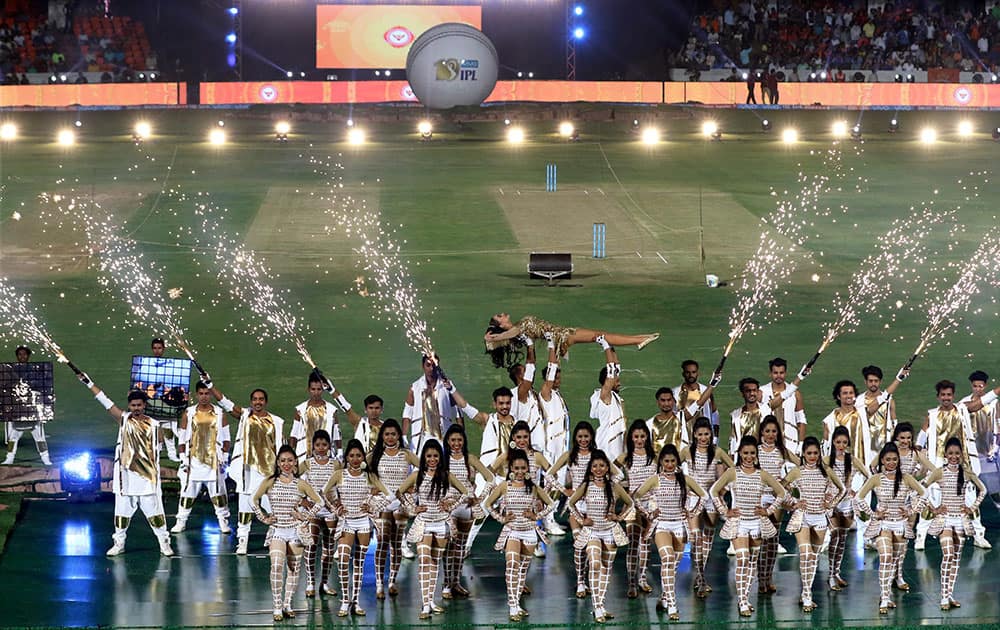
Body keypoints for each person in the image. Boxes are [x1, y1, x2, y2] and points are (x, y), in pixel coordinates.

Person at [78, 370, 173, 557]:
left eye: (139, 405)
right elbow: (106, 402)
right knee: (121, 515)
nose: (136, 408)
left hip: (147, 478)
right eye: (133, 405)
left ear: (144, 405)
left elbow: (160, 445)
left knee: (155, 514)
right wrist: (88, 383)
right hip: (126, 477)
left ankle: (164, 543)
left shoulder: (155, 425)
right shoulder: (124, 419)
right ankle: (119, 543)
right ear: (129, 406)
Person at [916, 379, 997, 550]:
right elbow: (922, 435)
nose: (946, 398)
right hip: (938, 464)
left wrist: (997, 391)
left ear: (953, 396)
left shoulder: (962, 409)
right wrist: (916, 450)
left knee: (970, 499)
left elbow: (981, 402)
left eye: (949, 395)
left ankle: (978, 536)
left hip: (962, 463)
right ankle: (920, 536)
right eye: (943, 395)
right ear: (938, 397)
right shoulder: (932, 415)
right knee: (933, 499)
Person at [711, 435, 786, 617]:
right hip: (739, 523)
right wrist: (725, 511)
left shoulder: (762, 474)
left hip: (757, 523)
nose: (749, 456)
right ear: (740, 453)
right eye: (745, 453)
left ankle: (745, 596)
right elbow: (713, 491)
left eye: (752, 453)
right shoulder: (733, 472)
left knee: (752, 563)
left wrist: (768, 511)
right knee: (743, 559)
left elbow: (781, 492)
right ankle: (742, 601)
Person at [397, 440, 471, 619]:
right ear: (424, 457)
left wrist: (451, 505)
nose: (432, 459)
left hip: (441, 524)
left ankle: (430, 601)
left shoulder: (446, 475)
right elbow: (399, 492)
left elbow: (465, 492)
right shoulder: (417, 475)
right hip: (423, 523)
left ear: (440, 457)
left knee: (435, 563)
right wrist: (413, 508)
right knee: (424, 562)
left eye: (435, 456)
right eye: (429, 456)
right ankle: (425, 606)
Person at [251, 444, 326, 621]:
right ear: (278, 462)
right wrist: (263, 518)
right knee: (276, 565)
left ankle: (288, 604)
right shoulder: (270, 481)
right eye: (283, 460)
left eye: (290, 460)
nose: (286, 464)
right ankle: (277, 606)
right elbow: (253, 499)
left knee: (293, 569)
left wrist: (304, 516)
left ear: (295, 463)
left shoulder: (301, 483)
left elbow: (320, 502)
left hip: (296, 531)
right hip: (277, 530)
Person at [633, 443, 707, 619]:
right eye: (666, 461)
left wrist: (692, 512)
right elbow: (636, 497)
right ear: (661, 462)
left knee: (673, 566)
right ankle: (673, 605)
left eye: (673, 461)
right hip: (662, 526)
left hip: (680, 526)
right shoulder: (655, 479)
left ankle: (664, 597)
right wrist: (649, 513)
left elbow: (704, 495)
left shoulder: (685, 479)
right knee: (667, 559)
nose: (670, 464)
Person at [853, 443, 928, 614]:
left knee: (895, 561)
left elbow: (924, 494)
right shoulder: (876, 478)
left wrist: (911, 510)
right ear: (882, 461)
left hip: (901, 525)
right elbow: (859, 498)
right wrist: (873, 514)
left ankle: (889, 591)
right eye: (888, 459)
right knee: (886, 557)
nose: (891, 462)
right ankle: (885, 598)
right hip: (883, 525)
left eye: (894, 459)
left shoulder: (907, 478)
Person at [484, 447, 557, 621]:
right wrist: (501, 518)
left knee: (522, 572)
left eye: (523, 468)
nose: (519, 472)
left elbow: (551, 504)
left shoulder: (533, 488)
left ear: (528, 469)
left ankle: (516, 603)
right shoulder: (504, 486)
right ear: (510, 469)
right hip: (512, 531)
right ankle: (512, 606)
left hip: (530, 533)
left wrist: (536, 516)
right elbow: (488, 504)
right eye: (516, 468)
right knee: (512, 566)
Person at [213, 383, 285, 554]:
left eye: (261, 399)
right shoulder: (245, 415)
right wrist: (210, 386)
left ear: (265, 402)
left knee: (272, 506)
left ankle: (273, 534)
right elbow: (225, 402)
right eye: (255, 399)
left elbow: (281, 445)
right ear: (251, 402)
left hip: (268, 470)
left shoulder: (276, 421)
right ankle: (243, 540)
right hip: (248, 469)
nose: (258, 402)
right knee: (245, 506)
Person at [323, 439, 391, 617]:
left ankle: (356, 601)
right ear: (346, 457)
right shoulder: (339, 474)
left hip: (363, 523)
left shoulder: (370, 476)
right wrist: (335, 506)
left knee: (359, 564)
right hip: (346, 522)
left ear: (363, 457)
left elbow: (389, 494)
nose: (355, 459)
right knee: (344, 560)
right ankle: (345, 601)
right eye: (351, 455)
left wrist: (373, 507)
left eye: (358, 455)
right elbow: (323, 492)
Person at [567, 449, 634, 624]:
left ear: (607, 468)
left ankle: (600, 605)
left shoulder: (614, 486)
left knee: (606, 569)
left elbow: (630, 503)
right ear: (590, 468)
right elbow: (571, 503)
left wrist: (619, 517)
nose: (598, 469)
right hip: (592, 532)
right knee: (595, 563)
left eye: (602, 465)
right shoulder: (586, 486)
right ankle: (597, 608)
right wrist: (581, 520)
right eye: (595, 466)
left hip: (610, 532)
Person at [921, 437, 987, 611]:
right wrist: (933, 508)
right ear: (945, 454)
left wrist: (972, 507)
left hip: (961, 520)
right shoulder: (939, 472)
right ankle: (943, 596)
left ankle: (950, 595)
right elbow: (921, 488)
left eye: (957, 453)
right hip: (944, 520)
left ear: (961, 454)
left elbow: (983, 489)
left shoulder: (966, 472)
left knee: (956, 558)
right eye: (951, 453)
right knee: (948, 555)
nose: (954, 456)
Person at [782, 436, 845, 612]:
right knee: (806, 554)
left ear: (819, 453)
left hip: (820, 518)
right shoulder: (797, 471)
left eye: (815, 453)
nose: (812, 456)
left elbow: (842, 489)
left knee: (814, 557)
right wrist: (794, 502)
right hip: (802, 516)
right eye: (809, 453)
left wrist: (830, 503)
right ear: (803, 454)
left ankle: (805, 592)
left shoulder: (826, 471)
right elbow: (779, 488)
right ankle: (807, 594)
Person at [484, 312, 659, 368]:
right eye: (500, 316)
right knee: (600, 335)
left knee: (601, 334)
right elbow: (506, 336)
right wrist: (494, 336)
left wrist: (494, 336)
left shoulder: (517, 327)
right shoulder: (516, 330)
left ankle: (639, 338)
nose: (504, 314)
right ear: (501, 323)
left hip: (562, 334)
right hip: (563, 335)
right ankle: (638, 340)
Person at [680, 416, 733, 597]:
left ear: (711, 434)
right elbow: (669, 465)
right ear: (694, 434)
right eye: (700, 434)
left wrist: (723, 488)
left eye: (707, 434)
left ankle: (700, 576)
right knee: (696, 538)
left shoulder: (717, 452)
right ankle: (701, 579)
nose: (704, 438)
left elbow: (734, 469)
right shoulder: (687, 451)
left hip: (711, 499)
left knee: (708, 541)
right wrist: (683, 486)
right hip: (694, 498)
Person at [170, 379, 231, 534]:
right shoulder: (189, 413)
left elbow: (226, 438)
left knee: (218, 494)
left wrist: (224, 457)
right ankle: (181, 521)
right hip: (194, 461)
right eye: (201, 394)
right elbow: (182, 438)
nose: (204, 396)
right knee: (187, 494)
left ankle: (223, 521)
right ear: (197, 395)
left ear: (210, 394)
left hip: (214, 461)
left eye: (207, 393)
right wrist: (183, 458)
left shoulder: (220, 413)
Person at [548, 421, 601, 598]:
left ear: (591, 437)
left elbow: (615, 474)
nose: (583, 440)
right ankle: (580, 582)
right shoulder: (570, 455)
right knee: (579, 545)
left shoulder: (597, 455)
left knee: (593, 546)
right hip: (576, 506)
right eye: (580, 436)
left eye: (586, 436)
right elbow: (549, 474)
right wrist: (565, 490)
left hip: (595, 505)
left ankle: (593, 580)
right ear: (575, 438)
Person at [368, 419, 419, 598]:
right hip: (381, 501)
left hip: (402, 502)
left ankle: (392, 582)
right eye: (387, 434)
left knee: (396, 543)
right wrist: (370, 488)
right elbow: (357, 469)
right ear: (382, 435)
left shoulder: (406, 454)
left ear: (399, 435)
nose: (390, 437)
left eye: (394, 434)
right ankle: (379, 584)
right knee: (382, 541)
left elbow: (427, 469)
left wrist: (415, 486)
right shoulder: (375, 454)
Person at [441, 424, 494, 598]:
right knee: (448, 546)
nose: (456, 443)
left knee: (460, 548)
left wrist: (480, 498)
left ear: (464, 441)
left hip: (466, 508)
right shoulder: (442, 459)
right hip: (448, 509)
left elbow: (490, 478)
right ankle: (447, 584)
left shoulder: (469, 458)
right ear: (447, 441)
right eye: (453, 440)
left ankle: (455, 582)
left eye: (459, 440)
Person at [756, 415, 800, 592]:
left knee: (773, 542)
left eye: (774, 431)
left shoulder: (782, 450)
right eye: (767, 431)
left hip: (776, 498)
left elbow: (801, 465)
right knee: (761, 540)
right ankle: (760, 579)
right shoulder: (755, 450)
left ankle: (768, 577)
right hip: (759, 498)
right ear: (761, 432)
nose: (770, 435)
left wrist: (787, 482)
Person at [615, 420, 658, 598]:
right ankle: (631, 582)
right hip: (632, 503)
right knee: (633, 543)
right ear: (631, 438)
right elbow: (610, 471)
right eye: (636, 437)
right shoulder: (625, 457)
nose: (639, 440)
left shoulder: (654, 456)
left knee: (646, 542)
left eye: (642, 436)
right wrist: (622, 487)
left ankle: (642, 578)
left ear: (647, 437)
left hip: (651, 504)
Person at [827, 425, 871, 590]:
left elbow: (869, 477)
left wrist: (858, 492)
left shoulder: (852, 460)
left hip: (847, 505)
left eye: (844, 442)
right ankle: (831, 575)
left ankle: (836, 572)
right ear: (833, 442)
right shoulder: (826, 460)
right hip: (832, 506)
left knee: (842, 540)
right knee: (834, 538)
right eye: (838, 442)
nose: (841, 445)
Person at [299, 429, 340, 599]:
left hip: (330, 510)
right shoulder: (307, 463)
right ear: (313, 446)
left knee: (329, 548)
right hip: (314, 510)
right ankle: (310, 583)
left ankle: (324, 583)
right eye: (318, 445)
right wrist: (303, 500)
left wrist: (340, 503)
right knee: (311, 545)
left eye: (324, 444)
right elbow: (293, 480)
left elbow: (342, 484)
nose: (321, 448)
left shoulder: (336, 464)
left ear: (329, 445)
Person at [538, 335, 570, 535]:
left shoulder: (558, 396)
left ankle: (551, 517)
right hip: (551, 446)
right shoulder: (546, 394)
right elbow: (550, 372)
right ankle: (547, 520)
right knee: (551, 482)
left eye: (559, 376)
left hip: (561, 446)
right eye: (555, 377)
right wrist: (552, 347)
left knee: (558, 480)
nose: (558, 379)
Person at [3, 345, 52, 466]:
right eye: (20, 354)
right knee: (12, 437)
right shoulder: (11, 372)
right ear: (17, 356)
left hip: (32, 409)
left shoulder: (34, 371)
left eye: (24, 354)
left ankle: (46, 459)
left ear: (28, 356)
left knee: (39, 437)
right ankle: (10, 458)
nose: (22, 356)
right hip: (17, 409)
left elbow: (42, 388)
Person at [402, 353, 459, 453]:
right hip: (420, 436)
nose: (431, 368)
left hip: (444, 433)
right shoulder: (415, 387)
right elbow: (407, 413)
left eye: (434, 365)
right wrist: (403, 435)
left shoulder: (447, 386)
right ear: (423, 366)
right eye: (428, 365)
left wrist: (461, 432)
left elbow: (457, 411)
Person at [960, 371, 1000, 509]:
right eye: (975, 386)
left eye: (981, 386)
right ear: (972, 386)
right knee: (970, 487)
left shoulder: (994, 403)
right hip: (972, 452)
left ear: (985, 386)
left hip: (989, 451)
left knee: (994, 490)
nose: (978, 389)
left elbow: (998, 423)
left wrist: (996, 446)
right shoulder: (964, 403)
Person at [758, 357, 809, 456]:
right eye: (775, 373)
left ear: (785, 373)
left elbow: (801, 419)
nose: (778, 376)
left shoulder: (796, 394)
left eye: (781, 373)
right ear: (770, 373)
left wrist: (801, 443)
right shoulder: (762, 392)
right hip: (767, 444)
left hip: (791, 443)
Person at [289, 371, 344, 461]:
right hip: (304, 455)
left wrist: (340, 451)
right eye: (313, 389)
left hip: (327, 456)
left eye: (319, 389)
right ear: (308, 389)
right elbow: (294, 433)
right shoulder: (300, 409)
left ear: (323, 390)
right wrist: (291, 452)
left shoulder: (331, 410)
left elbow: (337, 433)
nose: (316, 392)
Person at [590, 338, 627, 461]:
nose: (619, 382)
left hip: (617, 443)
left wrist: (612, 346)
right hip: (606, 445)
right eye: (617, 381)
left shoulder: (614, 395)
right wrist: (605, 346)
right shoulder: (604, 396)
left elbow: (616, 368)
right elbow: (611, 373)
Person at [673, 359, 719, 441]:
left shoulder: (706, 391)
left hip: (703, 440)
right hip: (683, 440)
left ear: (698, 373)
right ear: (683, 374)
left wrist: (715, 438)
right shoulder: (675, 393)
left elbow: (714, 415)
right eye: (688, 372)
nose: (691, 375)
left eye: (693, 372)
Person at [729, 377, 769, 456]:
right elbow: (733, 440)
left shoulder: (765, 410)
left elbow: (785, 395)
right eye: (748, 391)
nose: (752, 394)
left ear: (758, 392)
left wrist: (800, 377)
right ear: (742, 393)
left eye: (754, 390)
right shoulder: (736, 415)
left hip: (762, 456)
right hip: (743, 457)